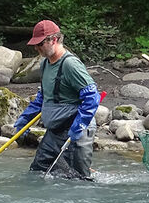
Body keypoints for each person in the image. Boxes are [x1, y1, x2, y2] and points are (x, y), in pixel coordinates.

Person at [13, 20, 100, 180]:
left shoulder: (70, 65)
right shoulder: (45, 64)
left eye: (39, 43)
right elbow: (44, 98)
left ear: (53, 40)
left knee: (78, 181)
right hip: (55, 131)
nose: (36, 48)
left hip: (75, 132)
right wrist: (24, 119)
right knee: (37, 173)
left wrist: (79, 126)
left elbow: (92, 96)